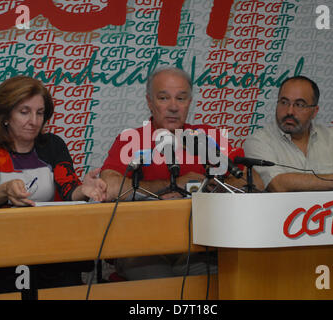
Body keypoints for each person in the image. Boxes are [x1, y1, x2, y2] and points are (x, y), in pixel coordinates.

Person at [100, 66, 263, 280]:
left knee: (239, 276)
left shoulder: (206, 137)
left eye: (181, 98)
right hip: (144, 246)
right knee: (160, 281)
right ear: (149, 102)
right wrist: (171, 185)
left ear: (190, 102)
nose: (173, 107)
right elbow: (109, 186)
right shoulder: (131, 139)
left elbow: (256, 183)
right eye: (164, 98)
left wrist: (211, 185)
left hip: (199, 245)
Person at [0, 75, 107, 295]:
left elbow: (68, 187)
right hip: (1, 252)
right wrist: (4, 190)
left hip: (48, 246)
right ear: (5, 115)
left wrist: (84, 190)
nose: (33, 121)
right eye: (24, 112)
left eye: (40, 113)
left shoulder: (53, 145)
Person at [244, 75, 333, 192]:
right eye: (284, 102)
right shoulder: (259, 140)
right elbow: (277, 184)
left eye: (299, 104)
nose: (289, 111)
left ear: (315, 111)